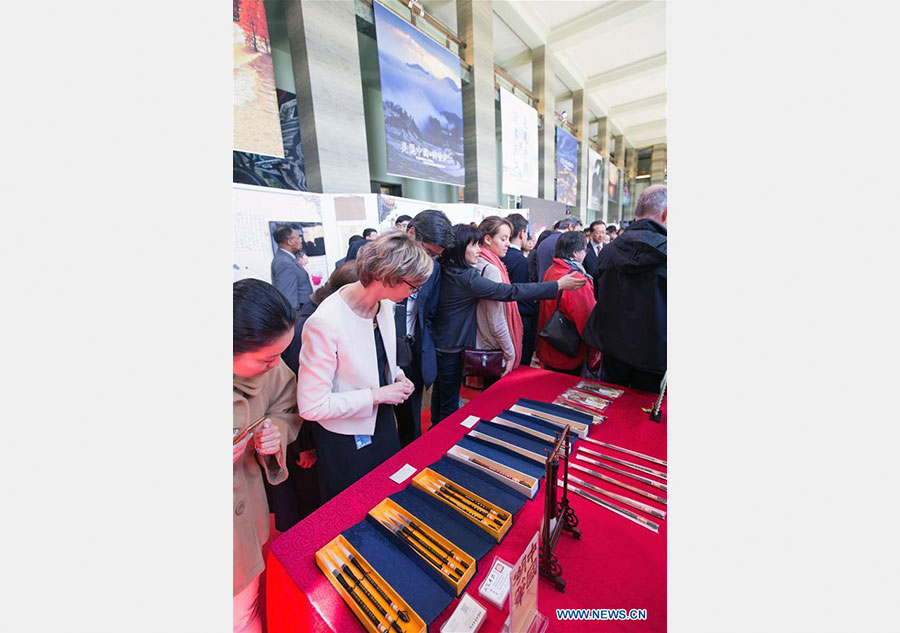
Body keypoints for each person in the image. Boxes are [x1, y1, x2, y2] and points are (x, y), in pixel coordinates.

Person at [297, 233, 432, 501]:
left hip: (380, 420)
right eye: (413, 286)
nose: (413, 293)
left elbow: (382, 359)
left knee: (385, 494)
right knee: (350, 508)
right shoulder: (325, 322)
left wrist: (398, 377)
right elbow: (312, 406)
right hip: (344, 435)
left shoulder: (383, 306)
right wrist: (378, 395)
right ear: (389, 278)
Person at [431, 224, 587, 423]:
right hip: (450, 347)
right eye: (474, 245)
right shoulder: (466, 277)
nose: (479, 250)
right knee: (448, 405)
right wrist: (557, 285)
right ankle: (441, 442)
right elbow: (510, 292)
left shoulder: (449, 268)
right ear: (460, 247)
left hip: (441, 342)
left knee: (441, 398)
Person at [266, 262, 361, 531]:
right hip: (299, 432)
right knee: (305, 501)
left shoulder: (317, 313)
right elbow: (294, 395)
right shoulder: (312, 325)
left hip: (306, 426)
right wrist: (304, 444)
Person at [233, 279, 304, 633]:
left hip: (244, 517)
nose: (277, 364)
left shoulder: (272, 369)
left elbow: (286, 404)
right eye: (268, 358)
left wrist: (276, 430)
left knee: (244, 610)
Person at [583, 185, 667, 391]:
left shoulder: (608, 251)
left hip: (613, 351)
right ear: (666, 214)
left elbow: (599, 294)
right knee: (644, 418)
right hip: (654, 357)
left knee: (610, 410)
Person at [393, 209, 454, 447]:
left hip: (412, 349)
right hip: (379, 350)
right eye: (427, 252)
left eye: (435, 256)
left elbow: (429, 311)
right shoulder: (381, 261)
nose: (430, 259)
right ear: (411, 233)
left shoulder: (434, 270)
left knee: (412, 418)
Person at [536, 231, 597, 375]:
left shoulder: (552, 269)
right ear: (576, 252)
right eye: (585, 250)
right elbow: (587, 319)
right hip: (568, 352)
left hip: (549, 344)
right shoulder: (576, 279)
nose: (586, 254)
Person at [501, 213, 539, 367]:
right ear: (522, 233)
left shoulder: (501, 256)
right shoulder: (520, 260)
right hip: (519, 318)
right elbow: (522, 292)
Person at [271, 225, 313, 310]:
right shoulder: (284, 262)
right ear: (290, 241)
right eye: (298, 238)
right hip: (299, 313)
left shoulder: (287, 258)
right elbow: (288, 297)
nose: (301, 241)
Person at [536, 216, 582, 283]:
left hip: (543, 285)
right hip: (558, 286)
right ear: (571, 227)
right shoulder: (565, 243)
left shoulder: (544, 241)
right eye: (577, 232)